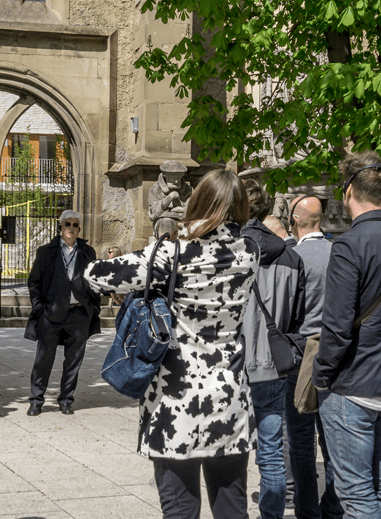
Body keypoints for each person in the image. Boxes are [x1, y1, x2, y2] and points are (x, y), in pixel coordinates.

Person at [85, 168, 257, 519]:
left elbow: (96, 275)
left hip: (176, 399)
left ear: (198, 202)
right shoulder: (249, 252)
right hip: (228, 395)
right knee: (232, 508)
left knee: (180, 509)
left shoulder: (173, 253)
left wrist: (170, 241)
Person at [312, 153, 381, 519]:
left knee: (356, 493)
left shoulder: (348, 245)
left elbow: (337, 326)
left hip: (354, 382)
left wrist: (322, 375)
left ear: (348, 192)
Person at [239, 181, 310, 518]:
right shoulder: (292, 257)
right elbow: (297, 316)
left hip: (233, 365)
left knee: (231, 451)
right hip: (273, 364)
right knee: (271, 450)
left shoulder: (229, 251)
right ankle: (272, 514)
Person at [286, 194, 344, 519]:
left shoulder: (293, 257)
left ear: (295, 219)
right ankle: (333, 510)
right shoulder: (341, 254)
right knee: (333, 440)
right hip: (336, 353)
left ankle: (307, 511)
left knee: (301, 442)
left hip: (300, 357)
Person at [25, 209, 100, 416]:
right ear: (61, 227)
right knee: (43, 359)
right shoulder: (46, 252)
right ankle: (36, 400)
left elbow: (94, 282)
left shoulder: (87, 252)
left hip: (78, 315)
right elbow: (34, 282)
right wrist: (39, 308)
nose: (72, 228)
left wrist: (93, 308)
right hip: (51, 314)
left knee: (74, 361)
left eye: (76, 225)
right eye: (68, 224)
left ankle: (66, 399)